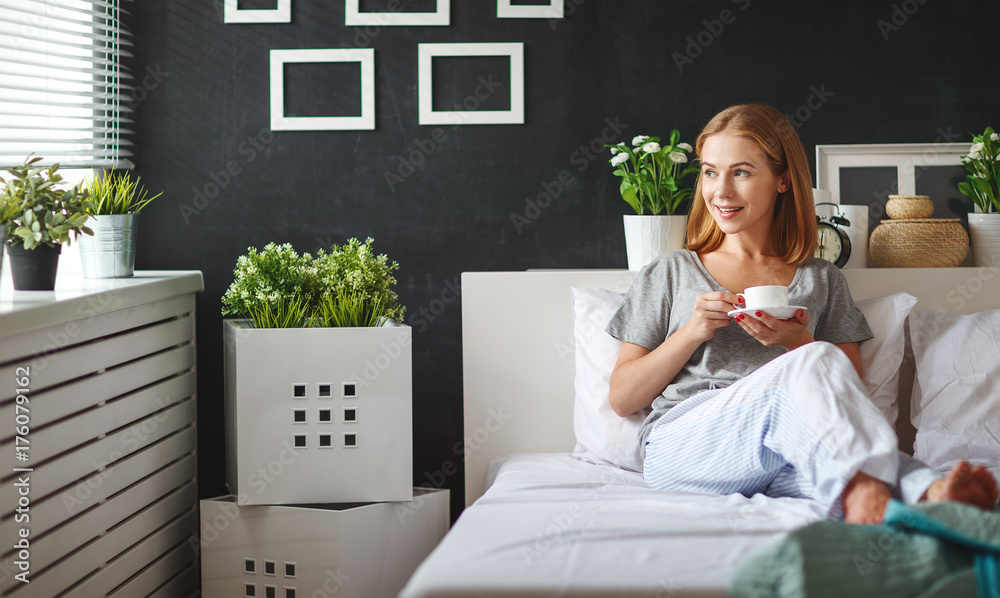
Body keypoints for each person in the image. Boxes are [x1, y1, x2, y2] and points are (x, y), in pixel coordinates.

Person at [606, 103, 998, 523]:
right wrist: (689, 333)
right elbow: (623, 398)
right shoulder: (670, 271)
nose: (720, 190)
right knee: (816, 370)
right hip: (685, 445)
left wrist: (797, 341)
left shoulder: (822, 280)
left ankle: (924, 499)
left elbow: (850, 401)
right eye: (709, 171)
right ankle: (914, 487)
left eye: (741, 172)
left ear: (783, 180)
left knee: (845, 467)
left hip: (784, 449)